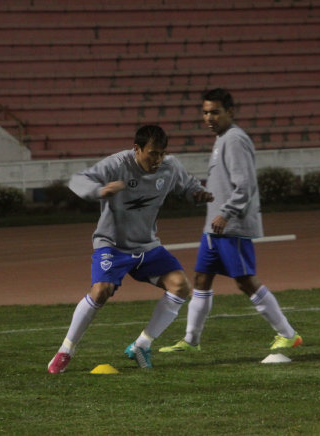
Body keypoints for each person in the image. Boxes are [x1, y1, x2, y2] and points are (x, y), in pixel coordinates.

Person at [47, 125, 213, 372]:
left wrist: (198, 194)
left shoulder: (170, 166)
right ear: (136, 149)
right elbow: (78, 180)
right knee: (101, 290)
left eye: (161, 154)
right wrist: (100, 190)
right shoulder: (117, 164)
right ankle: (65, 351)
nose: (157, 160)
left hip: (147, 245)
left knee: (180, 287)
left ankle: (141, 345)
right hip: (112, 245)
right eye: (152, 153)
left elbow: (188, 185)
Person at [159, 88, 302, 353]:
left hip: (230, 227)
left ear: (230, 112)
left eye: (215, 112)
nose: (209, 117)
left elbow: (245, 185)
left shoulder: (235, 139)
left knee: (245, 280)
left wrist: (226, 213)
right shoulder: (223, 138)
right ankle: (192, 340)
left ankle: (287, 333)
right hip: (213, 229)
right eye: (205, 112)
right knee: (201, 278)